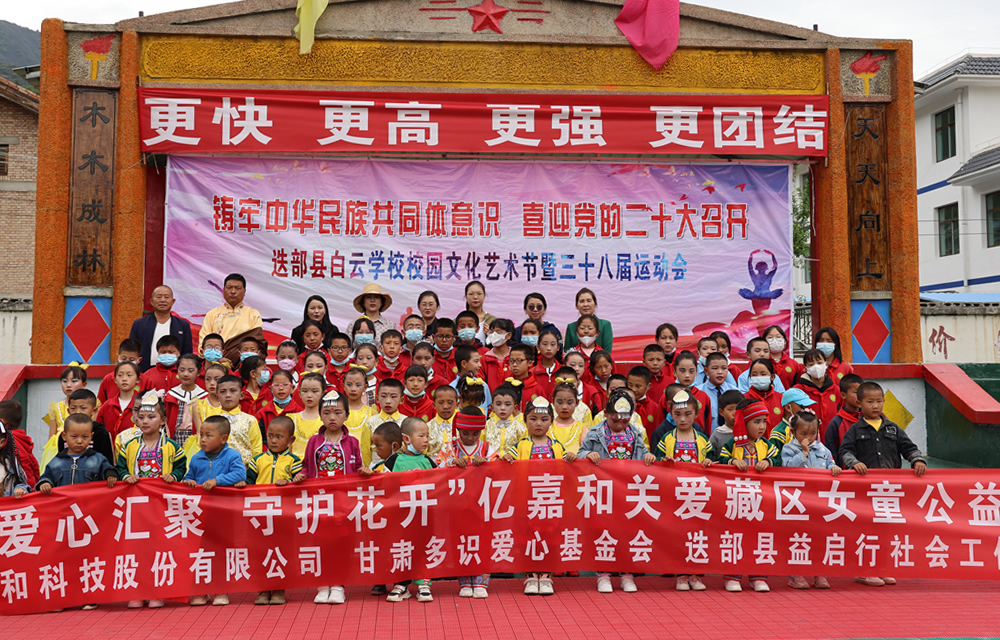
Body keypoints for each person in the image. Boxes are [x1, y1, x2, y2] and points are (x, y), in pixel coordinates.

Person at [840, 381, 926, 588]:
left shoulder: (893, 428)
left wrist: (917, 460)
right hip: (864, 491)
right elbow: (845, 451)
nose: (875, 405)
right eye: (870, 402)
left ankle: (882, 568)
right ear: (859, 403)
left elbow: (909, 448)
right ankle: (864, 571)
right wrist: (854, 463)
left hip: (889, 491)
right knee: (866, 530)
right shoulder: (855, 430)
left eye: (879, 401)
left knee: (886, 531)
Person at [577, 388, 655, 595]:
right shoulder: (595, 433)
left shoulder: (635, 433)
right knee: (605, 532)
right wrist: (589, 454)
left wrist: (648, 457)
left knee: (628, 532)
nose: (620, 425)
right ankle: (603, 574)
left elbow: (644, 454)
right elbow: (580, 453)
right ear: (606, 413)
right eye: (615, 420)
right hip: (603, 491)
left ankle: (627, 574)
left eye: (625, 421)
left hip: (629, 491)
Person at [299, 390, 369, 604]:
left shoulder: (352, 442)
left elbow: (358, 466)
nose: (332, 417)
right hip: (319, 501)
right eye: (327, 412)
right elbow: (306, 466)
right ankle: (322, 585)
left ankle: (338, 585)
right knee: (321, 543)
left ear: (346, 415)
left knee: (340, 543)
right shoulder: (313, 441)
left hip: (343, 501)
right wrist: (301, 475)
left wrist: (364, 471)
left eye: (337, 413)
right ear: (320, 415)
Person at [503, 397, 575, 596]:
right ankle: (531, 575)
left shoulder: (557, 446)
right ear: (525, 420)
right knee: (528, 539)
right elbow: (508, 458)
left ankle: (546, 575)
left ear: (551, 421)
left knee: (549, 538)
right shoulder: (521, 445)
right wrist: (507, 458)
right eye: (533, 419)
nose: (538, 424)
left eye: (544, 419)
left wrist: (571, 458)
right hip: (528, 502)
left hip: (550, 502)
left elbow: (567, 466)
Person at [183, 414, 247, 606]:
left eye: (208, 435)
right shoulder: (196, 458)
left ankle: (221, 590)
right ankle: (201, 591)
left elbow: (240, 474)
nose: (202, 439)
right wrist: (189, 482)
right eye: (201, 434)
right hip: (200, 515)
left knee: (221, 551)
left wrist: (217, 481)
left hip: (223, 514)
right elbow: (189, 476)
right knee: (200, 552)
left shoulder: (232, 456)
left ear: (223, 438)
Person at [652, 389, 712, 592]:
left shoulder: (702, 439)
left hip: (697, 495)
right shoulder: (666, 439)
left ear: (696, 413)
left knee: (696, 535)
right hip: (674, 495)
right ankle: (681, 574)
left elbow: (713, 461)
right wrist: (663, 461)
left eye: (688, 414)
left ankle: (695, 574)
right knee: (677, 535)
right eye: (677, 414)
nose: (683, 419)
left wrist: (709, 462)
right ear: (671, 414)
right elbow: (656, 460)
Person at [719, 400, 779, 592]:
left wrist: (768, 462)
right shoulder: (733, 444)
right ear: (743, 423)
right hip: (737, 499)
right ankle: (732, 576)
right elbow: (719, 459)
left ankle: (758, 576)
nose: (761, 426)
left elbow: (778, 459)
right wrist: (732, 462)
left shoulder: (767, 445)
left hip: (761, 501)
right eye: (756, 422)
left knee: (759, 537)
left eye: (764, 421)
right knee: (735, 537)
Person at [248, 415, 304, 606]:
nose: (273, 440)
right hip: (260, 514)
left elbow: (300, 483)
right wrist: (241, 484)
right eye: (270, 436)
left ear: (291, 440)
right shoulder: (257, 460)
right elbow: (248, 482)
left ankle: (279, 588)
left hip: (283, 515)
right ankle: (263, 589)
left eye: (279, 437)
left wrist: (290, 481)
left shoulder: (294, 462)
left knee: (280, 550)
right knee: (261, 550)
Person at [781, 410, 840, 591]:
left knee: (819, 537)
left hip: (819, 502)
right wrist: (803, 453)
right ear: (793, 432)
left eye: (813, 433)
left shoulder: (823, 449)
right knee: (798, 537)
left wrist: (835, 468)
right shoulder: (788, 449)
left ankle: (819, 572)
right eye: (803, 434)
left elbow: (831, 463)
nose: (809, 437)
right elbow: (787, 468)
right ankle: (796, 574)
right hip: (797, 502)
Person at [385, 417, 437, 603]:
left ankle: (423, 583)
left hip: (424, 516)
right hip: (401, 517)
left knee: (424, 547)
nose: (426, 440)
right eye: (421, 436)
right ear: (406, 439)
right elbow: (381, 482)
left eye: (428, 436)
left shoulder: (429, 461)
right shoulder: (393, 461)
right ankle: (401, 585)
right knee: (401, 548)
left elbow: (441, 483)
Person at [198, 273, 264, 365]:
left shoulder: (253, 314)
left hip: (243, 365)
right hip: (216, 364)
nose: (233, 291)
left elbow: (256, 342)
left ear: (244, 291)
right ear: (224, 290)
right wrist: (218, 359)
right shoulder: (212, 314)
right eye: (229, 288)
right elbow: (204, 342)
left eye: (237, 288)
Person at [129, 285, 194, 372]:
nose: (162, 300)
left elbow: (187, 353)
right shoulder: (139, 324)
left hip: (175, 372)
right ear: (152, 301)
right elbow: (132, 350)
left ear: (173, 301)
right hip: (145, 371)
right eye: (158, 297)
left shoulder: (183, 325)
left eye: (166, 297)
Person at [215, 374, 264, 465]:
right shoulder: (212, 421)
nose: (228, 395)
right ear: (217, 397)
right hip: (217, 468)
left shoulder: (250, 420)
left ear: (241, 395)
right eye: (223, 391)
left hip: (244, 469)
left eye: (233, 391)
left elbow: (256, 449)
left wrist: (253, 469)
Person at [823, 373, 864, 463]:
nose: (860, 396)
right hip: (846, 470)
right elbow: (831, 451)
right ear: (843, 395)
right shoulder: (836, 423)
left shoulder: (869, 418)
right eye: (856, 392)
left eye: (862, 392)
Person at [793, 348, 839, 428]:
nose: (816, 367)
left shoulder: (835, 389)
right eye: (811, 364)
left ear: (826, 364)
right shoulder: (798, 390)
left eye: (819, 363)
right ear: (806, 368)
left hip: (832, 434)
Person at [164, 353, 206, 443]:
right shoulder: (171, 395)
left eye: (191, 371)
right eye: (182, 370)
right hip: (173, 436)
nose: (185, 374)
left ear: (198, 372)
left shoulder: (203, 397)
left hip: (195, 436)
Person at [364, 379, 405, 465]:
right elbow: (365, 450)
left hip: (402, 466)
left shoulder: (406, 422)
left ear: (401, 400)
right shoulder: (370, 422)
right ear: (377, 399)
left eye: (393, 397)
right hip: (376, 466)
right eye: (383, 396)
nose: (388, 401)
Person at [97, 361, 142, 441]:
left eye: (129, 375)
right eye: (120, 375)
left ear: (138, 379)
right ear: (115, 380)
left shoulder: (143, 404)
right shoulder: (108, 405)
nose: (124, 379)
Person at [0, 401, 39, 488]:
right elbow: (34, 464)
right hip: (28, 484)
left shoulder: (8, 439)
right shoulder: (22, 438)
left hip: (16, 486)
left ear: (2, 422)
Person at [342, 368, 375, 465]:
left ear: (365, 387)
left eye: (358, 385)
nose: (353, 389)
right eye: (349, 384)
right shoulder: (337, 412)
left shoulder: (372, 412)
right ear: (343, 386)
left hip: (365, 463)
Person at [564, 288, 613, 353]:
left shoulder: (605, 325)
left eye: (589, 301)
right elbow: (567, 353)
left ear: (595, 304)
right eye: (582, 301)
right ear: (576, 305)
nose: (585, 304)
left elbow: (607, 352)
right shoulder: (571, 327)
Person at [289, 372, 325, 458]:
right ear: (299, 393)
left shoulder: (327, 419)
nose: (309, 395)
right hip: (295, 464)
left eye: (314, 391)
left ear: (323, 394)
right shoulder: (291, 419)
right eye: (304, 391)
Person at [743, 358, 783, 432]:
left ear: (772, 377)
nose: (758, 377)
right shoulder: (743, 399)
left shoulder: (781, 398)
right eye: (754, 375)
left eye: (763, 374)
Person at [450, 344, 492, 414]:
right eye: (476, 361)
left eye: (479, 361)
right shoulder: (452, 388)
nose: (480, 365)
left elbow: (489, 408)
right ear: (463, 364)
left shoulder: (483, 385)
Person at [550, 382, 587, 453]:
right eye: (560, 402)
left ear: (577, 402)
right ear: (553, 402)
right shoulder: (547, 427)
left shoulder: (581, 428)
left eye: (570, 403)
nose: (564, 407)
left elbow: (586, 450)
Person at [628, 365, 664, 438]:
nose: (633, 389)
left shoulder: (655, 408)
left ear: (648, 386)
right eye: (630, 385)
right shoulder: (624, 406)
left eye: (638, 386)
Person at [764, 324, 803, 390]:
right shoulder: (758, 363)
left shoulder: (794, 365)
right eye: (770, 337)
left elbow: (799, 387)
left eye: (778, 337)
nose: (774, 340)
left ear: (784, 341)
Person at [0, 418, 31, 498]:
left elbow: (22, 483)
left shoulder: (12, 465)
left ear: (2, 442)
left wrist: (21, 489)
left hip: (7, 505)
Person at [709, 389, 744, 460]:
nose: (735, 413)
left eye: (738, 409)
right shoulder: (717, 435)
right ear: (721, 412)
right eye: (730, 409)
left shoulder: (750, 432)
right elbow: (711, 458)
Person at [481, 318, 514, 389]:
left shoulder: (515, 357)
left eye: (498, 332)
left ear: (508, 335)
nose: (493, 335)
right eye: (491, 332)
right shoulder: (484, 359)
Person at [425, 385, 459, 457]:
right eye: (440, 402)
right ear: (434, 405)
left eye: (450, 402)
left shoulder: (463, 426)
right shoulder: (426, 428)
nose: (445, 406)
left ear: (457, 404)